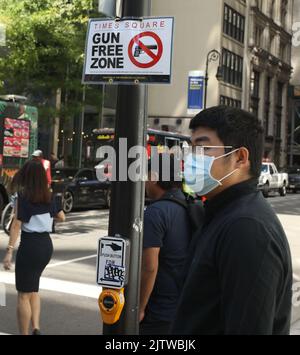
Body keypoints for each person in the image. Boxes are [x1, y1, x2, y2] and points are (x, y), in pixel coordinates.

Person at [172, 106, 293, 335]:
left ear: (240, 157)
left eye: (204, 148)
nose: (192, 159)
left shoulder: (246, 228)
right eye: (191, 149)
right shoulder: (222, 213)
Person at [2, 160, 65, 335]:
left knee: (23, 294)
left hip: (30, 246)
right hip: (46, 246)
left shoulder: (23, 197)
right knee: (33, 288)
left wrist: (9, 252)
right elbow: (62, 217)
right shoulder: (49, 195)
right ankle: (36, 328)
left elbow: (15, 226)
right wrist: (47, 217)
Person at [139, 154, 192, 335]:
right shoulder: (187, 205)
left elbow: (149, 268)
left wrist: (138, 308)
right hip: (183, 306)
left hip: (159, 311)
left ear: (154, 177)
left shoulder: (155, 213)